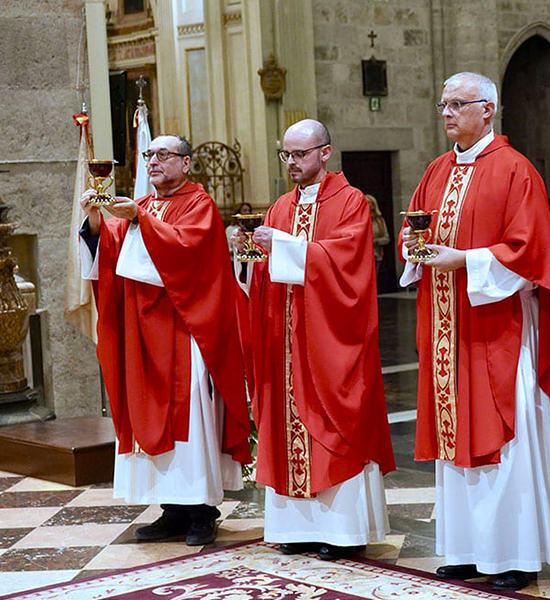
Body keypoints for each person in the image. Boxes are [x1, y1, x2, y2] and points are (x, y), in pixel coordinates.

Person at [398, 71, 550, 591]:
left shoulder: (515, 170)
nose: (448, 113)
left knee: (506, 440)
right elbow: (416, 228)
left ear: (488, 109)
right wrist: (413, 248)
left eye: (458, 104)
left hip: (499, 330)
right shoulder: (437, 170)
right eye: (443, 104)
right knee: (455, 441)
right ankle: (467, 549)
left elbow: (530, 252)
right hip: (448, 332)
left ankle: (514, 555)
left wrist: (466, 260)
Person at [78, 134, 252, 546]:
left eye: (163, 155)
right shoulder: (142, 205)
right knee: (148, 414)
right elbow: (112, 251)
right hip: (144, 334)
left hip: (186, 331)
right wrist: (95, 220)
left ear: (186, 163)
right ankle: (172, 510)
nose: (153, 161)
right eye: (149, 155)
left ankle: (202, 512)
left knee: (191, 419)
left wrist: (139, 220)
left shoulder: (199, 205)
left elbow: (188, 251)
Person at [235, 119, 395, 561]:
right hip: (285, 342)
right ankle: (296, 527)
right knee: (286, 422)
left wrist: (284, 245)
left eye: (300, 154)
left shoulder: (350, 201)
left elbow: (349, 262)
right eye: (285, 154)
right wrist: (247, 255)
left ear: (325, 152)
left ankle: (342, 531)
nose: (291, 162)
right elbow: (264, 275)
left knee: (334, 428)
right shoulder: (279, 207)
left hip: (330, 341)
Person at [365, 193, 390, 271]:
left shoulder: (379, 221)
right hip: (364, 256)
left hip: (377, 254)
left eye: (369, 203)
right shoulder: (359, 220)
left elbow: (386, 238)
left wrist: (376, 241)